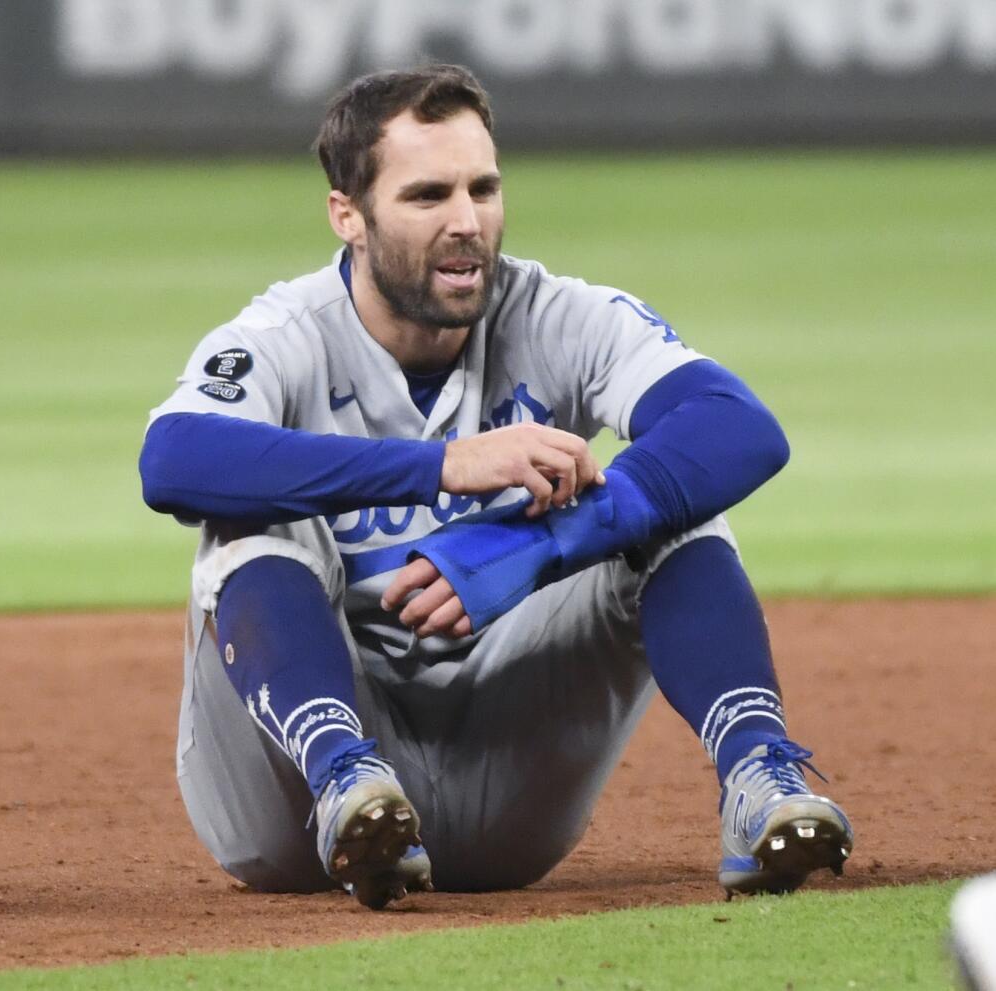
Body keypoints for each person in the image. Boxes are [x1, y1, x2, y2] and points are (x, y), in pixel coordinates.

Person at [138, 63, 852, 909]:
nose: (467, 222)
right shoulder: (287, 334)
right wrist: (440, 467)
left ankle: (759, 782)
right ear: (348, 216)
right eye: (428, 195)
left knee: (672, 506)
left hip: (505, 789)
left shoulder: (555, 314)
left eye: (484, 187)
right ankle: (345, 773)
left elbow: (740, 427)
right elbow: (174, 461)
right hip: (285, 816)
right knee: (249, 519)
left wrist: (538, 543)